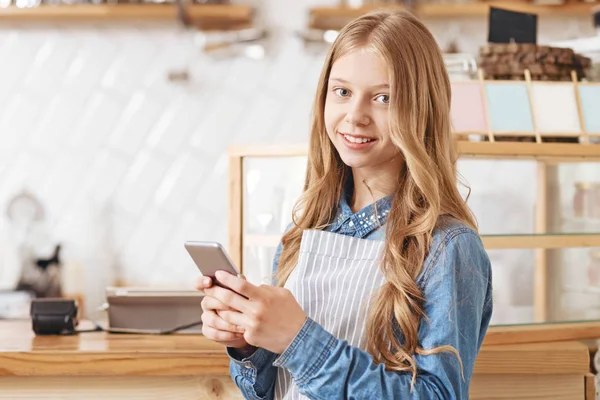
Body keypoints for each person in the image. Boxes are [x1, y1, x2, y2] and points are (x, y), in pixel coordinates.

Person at [197, 9, 493, 400]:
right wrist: (248, 345)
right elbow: (273, 391)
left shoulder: (448, 247)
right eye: (342, 92)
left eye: (383, 98)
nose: (355, 116)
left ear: (421, 110)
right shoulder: (303, 233)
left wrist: (298, 339)